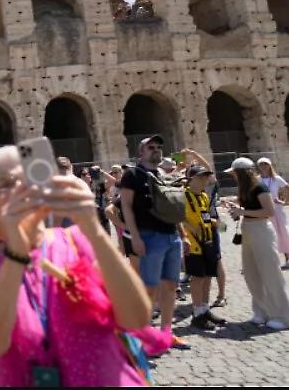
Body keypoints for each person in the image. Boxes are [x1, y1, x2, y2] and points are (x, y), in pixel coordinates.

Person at [0, 146, 153, 387]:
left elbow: (136, 317)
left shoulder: (78, 241)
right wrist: (17, 254)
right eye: (6, 185)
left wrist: (93, 228)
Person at [119, 135, 190, 349]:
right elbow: (126, 206)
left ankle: (167, 333)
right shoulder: (132, 174)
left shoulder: (162, 175)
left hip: (171, 236)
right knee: (149, 288)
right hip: (148, 236)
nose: (156, 149)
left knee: (171, 286)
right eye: (151, 147)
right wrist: (134, 236)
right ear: (141, 152)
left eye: (159, 146)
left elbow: (171, 208)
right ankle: (144, 336)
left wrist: (183, 235)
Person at [224, 157, 289, 329]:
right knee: (251, 273)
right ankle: (262, 311)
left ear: (241, 173)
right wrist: (237, 208)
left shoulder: (260, 187)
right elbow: (249, 208)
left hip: (261, 229)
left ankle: (282, 316)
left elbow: (269, 211)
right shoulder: (245, 189)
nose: (233, 177)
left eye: (234, 173)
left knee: (270, 273)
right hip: (248, 229)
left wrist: (242, 211)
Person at [182, 165, 225, 330]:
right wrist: (189, 228)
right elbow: (176, 216)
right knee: (197, 278)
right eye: (201, 176)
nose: (205, 179)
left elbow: (206, 216)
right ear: (191, 178)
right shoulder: (183, 195)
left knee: (208, 276)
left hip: (207, 240)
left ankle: (205, 309)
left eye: (206, 176)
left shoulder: (204, 196)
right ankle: (197, 313)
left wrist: (218, 224)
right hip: (193, 244)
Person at [257, 157, 289, 269]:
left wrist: (285, 202)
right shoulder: (257, 180)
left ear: (270, 165)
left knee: (283, 233)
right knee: (267, 235)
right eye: (261, 164)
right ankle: (270, 261)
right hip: (264, 210)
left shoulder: (276, 179)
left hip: (277, 210)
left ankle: (288, 258)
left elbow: (287, 188)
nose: (263, 166)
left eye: (265, 164)